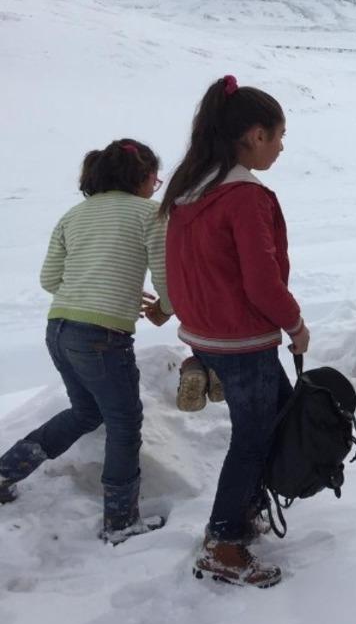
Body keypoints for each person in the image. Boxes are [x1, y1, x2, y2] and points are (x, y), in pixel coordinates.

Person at [162, 74, 307, 588]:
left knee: (272, 420)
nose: (282, 146)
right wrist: (294, 323)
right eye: (278, 134)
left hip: (207, 334)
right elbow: (262, 280)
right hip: (244, 338)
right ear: (252, 134)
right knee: (253, 437)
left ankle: (244, 511)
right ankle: (223, 541)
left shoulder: (190, 191)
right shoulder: (244, 195)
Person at [0, 139, 172, 544]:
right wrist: (164, 307)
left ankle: (6, 471)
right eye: (155, 179)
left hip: (59, 328)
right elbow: (168, 279)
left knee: (85, 412)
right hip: (102, 336)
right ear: (143, 178)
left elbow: (49, 281)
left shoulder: (73, 215)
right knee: (124, 424)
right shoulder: (150, 214)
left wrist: (91, 285)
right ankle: (120, 521)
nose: (156, 187)